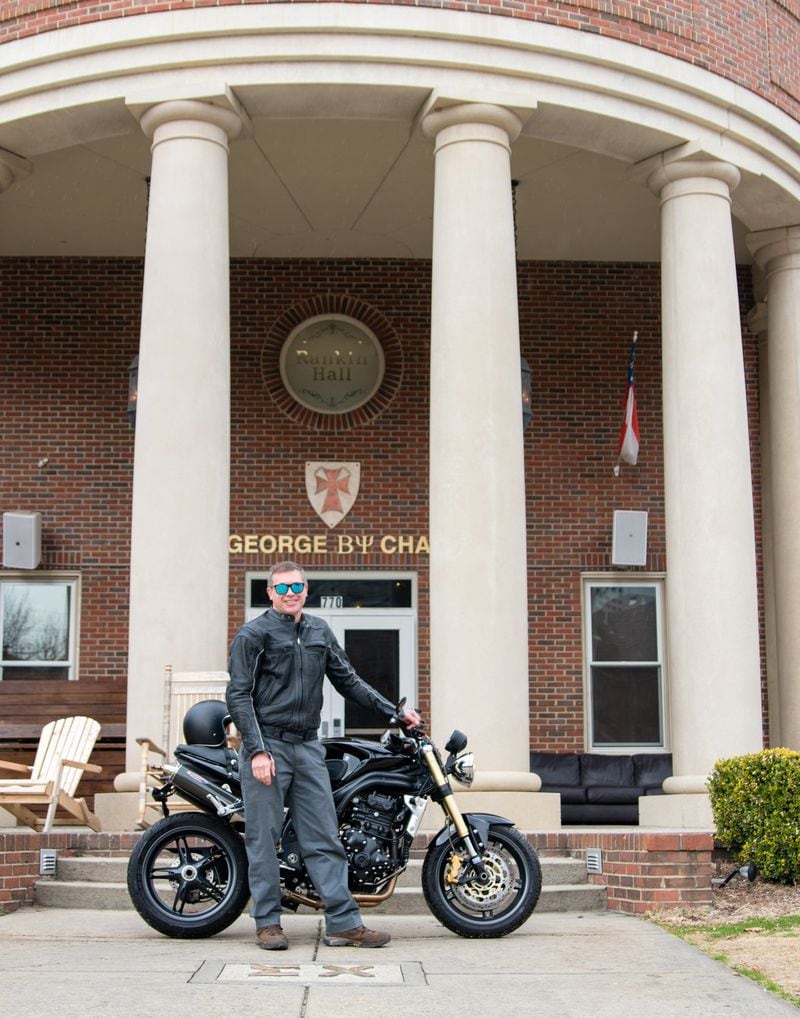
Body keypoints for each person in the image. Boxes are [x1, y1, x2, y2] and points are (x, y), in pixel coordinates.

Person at [226, 560, 421, 951]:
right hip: (269, 746)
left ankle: (343, 923)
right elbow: (239, 695)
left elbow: (349, 681)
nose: (291, 594)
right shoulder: (253, 635)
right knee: (264, 839)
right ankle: (268, 923)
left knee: (324, 837)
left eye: (296, 587)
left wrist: (394, 713)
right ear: (270, 593)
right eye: (282, 588)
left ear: (306, 588)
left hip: (308, 747)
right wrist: (258, 750)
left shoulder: (319, 631)